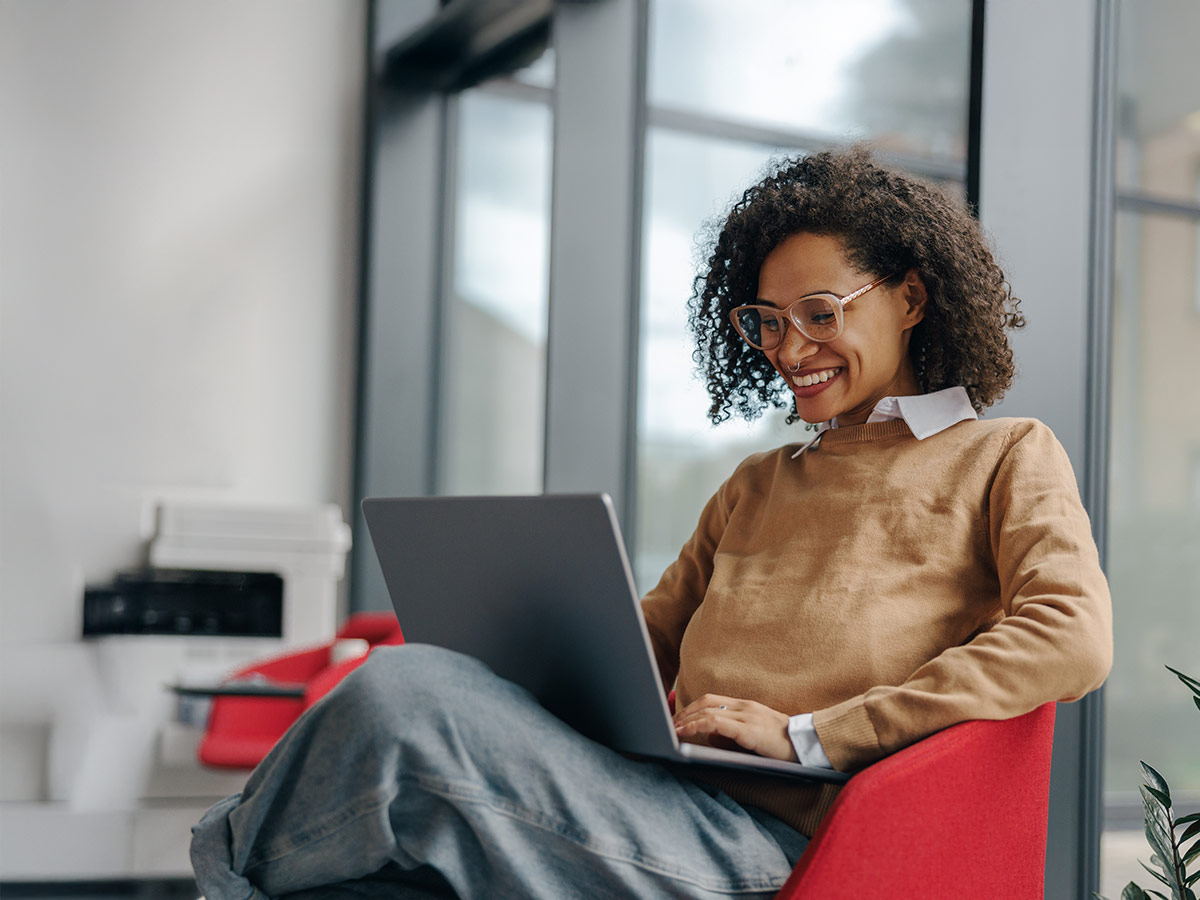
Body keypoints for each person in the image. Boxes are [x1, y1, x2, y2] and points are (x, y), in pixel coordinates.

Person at [190, 148, 1113, 899]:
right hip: (653, 800)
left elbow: (1071, 637)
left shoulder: (1003, 455)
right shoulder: (757, 486)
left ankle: (212, 872)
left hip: (776, 846)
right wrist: (509, 647)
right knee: (371, 870)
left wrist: (815, 736)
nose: (791, 350)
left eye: (820, 314)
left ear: (910, 299)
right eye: (766, 324)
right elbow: (636, 647)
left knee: (397, 697)